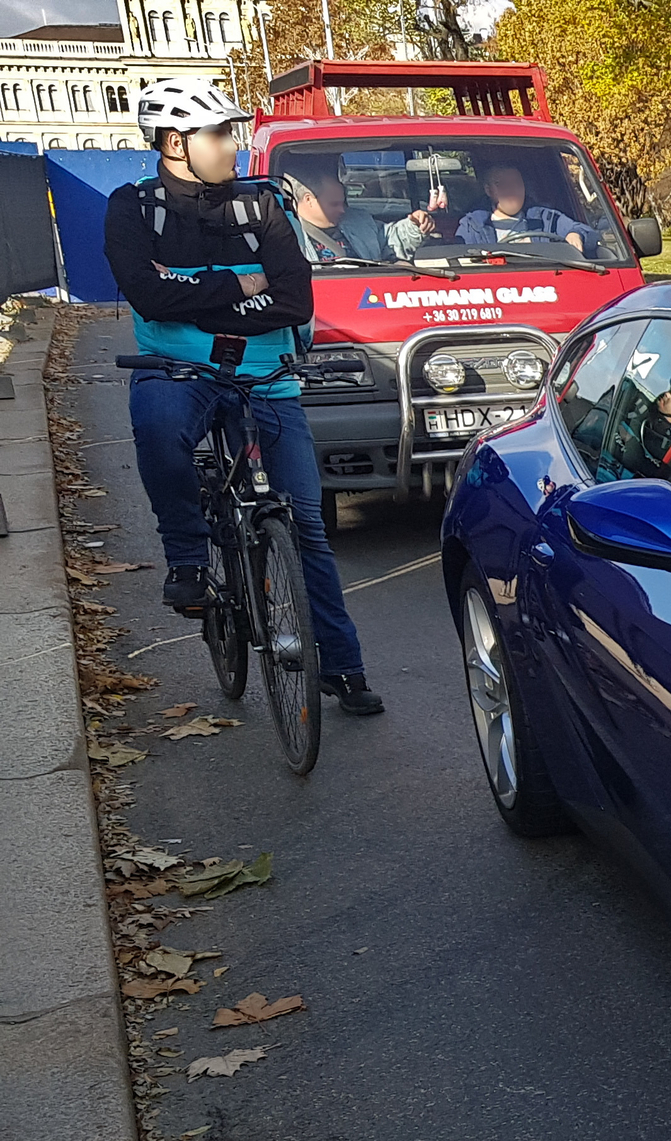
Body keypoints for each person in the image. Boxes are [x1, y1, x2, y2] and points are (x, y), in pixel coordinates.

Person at [106, 78, 381, 715]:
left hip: (269, 374)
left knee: (307, 526)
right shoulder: (131, 207)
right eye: (218, 134)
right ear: (176, 142)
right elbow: (147, 298)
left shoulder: (263, 204)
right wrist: (240, 282)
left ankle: (343, 667)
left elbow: (295, 300)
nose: (233, 145)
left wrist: (194, 291)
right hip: (174, 369)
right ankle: (187, 560)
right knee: (158, 429)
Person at [456, 159, 596, 254]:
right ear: (488, 190)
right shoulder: (473, 226)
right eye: (502, 185)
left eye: (517, 183)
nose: (512, 190)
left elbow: (589, 233)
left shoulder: (545, 218)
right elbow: (459, 260)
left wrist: (575, 234)